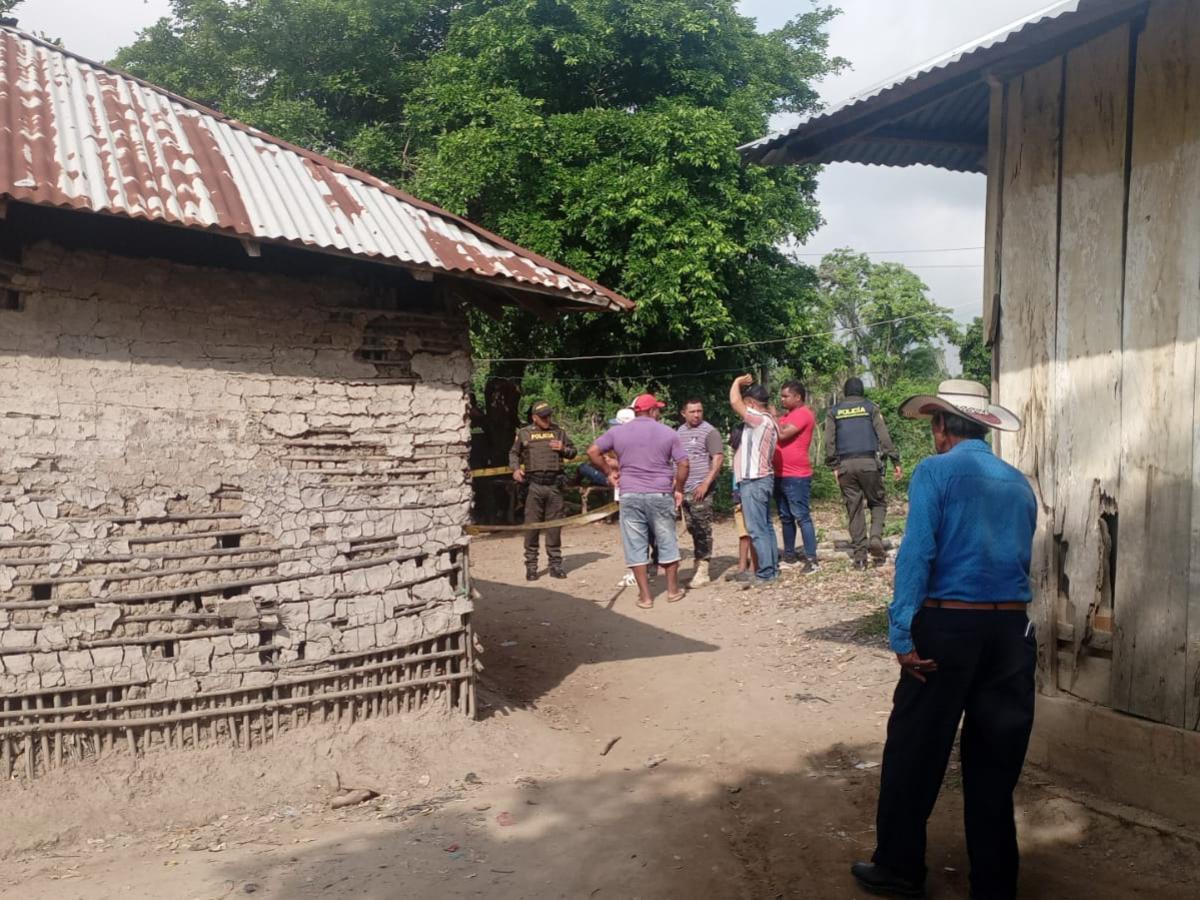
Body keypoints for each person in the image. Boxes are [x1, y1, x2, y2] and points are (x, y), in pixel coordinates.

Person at [851, 379, 1033, 900]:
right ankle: (995, 887)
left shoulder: (935, 471)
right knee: (995, 765)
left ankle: (899, 867)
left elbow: (918, 553)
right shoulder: (1019, 483)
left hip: (948, 627)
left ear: (940, 426)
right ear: (982, 427)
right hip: (1011, 632)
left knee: (915, 751)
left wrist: (901, 629)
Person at [587, 394, 688, 609]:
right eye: (657, 409)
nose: (659, 413)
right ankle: (672, 591)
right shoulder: (668, 432)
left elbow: (592, 451)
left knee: (635, 544)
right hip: (660, 493)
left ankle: (645, 597)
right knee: (667, 540)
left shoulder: (618, 432)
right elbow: (684, 464)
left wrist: (608, 473)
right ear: (651, 411)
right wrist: (679, 489)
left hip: (630, 493)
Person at [825, 376, 902, 570]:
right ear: (862, 391)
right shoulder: (871, 408)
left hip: (845, 465)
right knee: (878, 502)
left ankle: (860, 558)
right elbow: (883, 436)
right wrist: (895, 460)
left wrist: (834, 465)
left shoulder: (834, 411)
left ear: (845, 392)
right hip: (868, 463)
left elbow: (829, 441)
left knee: (854, 509)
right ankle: (875, 537)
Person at [509, 401, 576, 581]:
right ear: (534, 418)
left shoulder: (559, 432)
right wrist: (515, 469)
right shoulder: (524, 433)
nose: (547, 419)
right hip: (533, 486)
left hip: (554, 486)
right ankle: (531, 567)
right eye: (543, 417)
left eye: (549, 416)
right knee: (532, 527)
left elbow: (573, 452)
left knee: (554, 527)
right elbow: (513, 454)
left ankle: (555, 565)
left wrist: (563, 449)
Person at [728, 374, 779, 587]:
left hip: (754, 481)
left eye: (746, 403)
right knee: (765, 526)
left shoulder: (758, 420)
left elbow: (734, 401)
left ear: (751, 403)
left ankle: (765, 573)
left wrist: (737, 382)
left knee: (757, 529)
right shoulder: (770, 421)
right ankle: (771, 569)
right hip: (763, 479)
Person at [676, 398, 724, 587]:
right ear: (684, 413)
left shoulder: (710, 432)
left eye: (699, 411)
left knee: (703, 528)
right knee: (692, 527)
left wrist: (706, 483)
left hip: (701, 489)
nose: (697, 415)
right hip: (684, 489)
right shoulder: (679, 432)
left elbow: (718, 459)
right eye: (692, 411)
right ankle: (697, 566)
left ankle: (703, 570)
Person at [773, 380, 819, 574]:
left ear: (798, 397)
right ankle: (789, 555)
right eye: (781, 396)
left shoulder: (803, 414)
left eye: (786, 396)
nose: (782, 399)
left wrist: (773, 417)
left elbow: (782, 435)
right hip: (780, 474)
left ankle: (812, 559)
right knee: (785, 517)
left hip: (796, 475)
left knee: (801, 517)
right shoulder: (786, 416)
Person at [724, 422, 759, 582]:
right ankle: (742, 566)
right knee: (742, 533)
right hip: (737, 493)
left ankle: (753, 567)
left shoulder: (748, 454)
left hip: (746, 492)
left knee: (750, 532)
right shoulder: (738, 453)